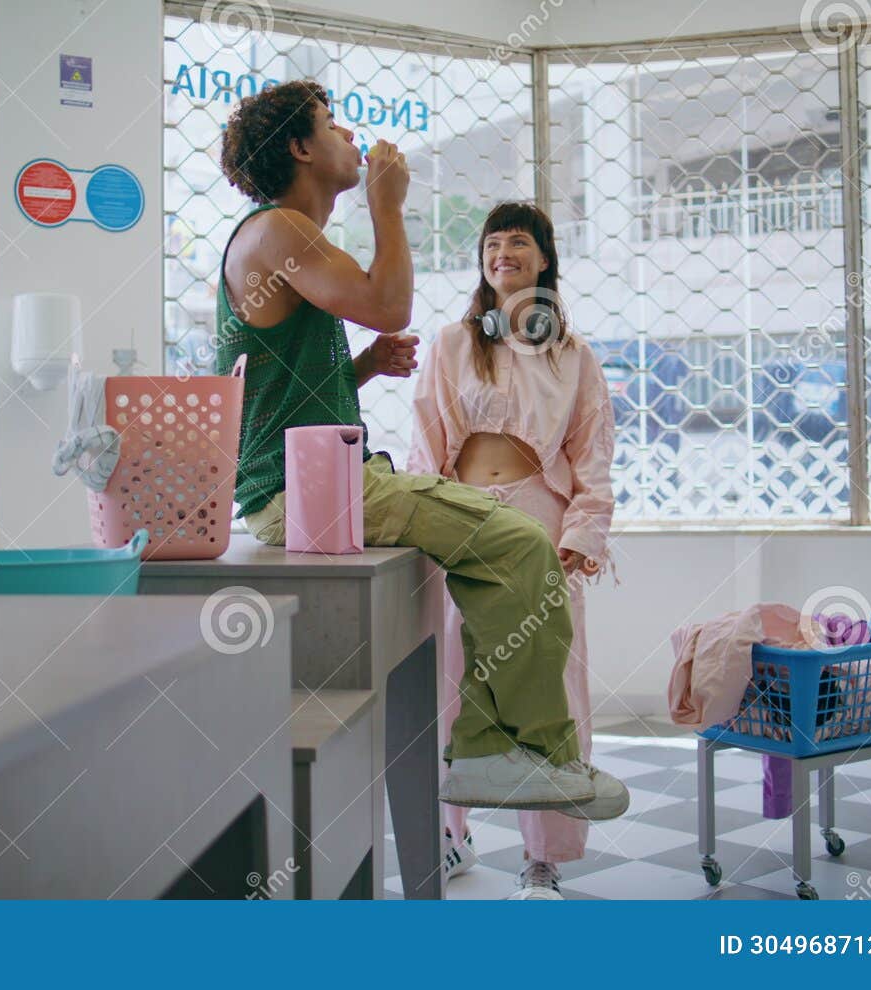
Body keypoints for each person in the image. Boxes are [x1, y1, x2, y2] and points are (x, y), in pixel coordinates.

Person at [214, 81, 627, 828]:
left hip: (318, 482)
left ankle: (502, 758)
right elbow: (389, 302)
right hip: (306, 492)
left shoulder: (282, 237)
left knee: (516, 558)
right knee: (520, 548)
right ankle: (516, 755)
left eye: (519, 242)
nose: (351, 136)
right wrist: (388, 206)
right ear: (302, 149)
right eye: (333, 126)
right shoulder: (280, 230)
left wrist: (361, 368)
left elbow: (279, 381)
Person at [409, 201, 618, 900]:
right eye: (492, 243)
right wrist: (424, 526)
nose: (503, 252)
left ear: (545, 258)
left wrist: (580, 537)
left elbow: (593, 457)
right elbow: (426, 446)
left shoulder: (573, 356)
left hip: (538, 530)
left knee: (549, 688)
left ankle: (544, 862)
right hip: (460, 523)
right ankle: (449, 834)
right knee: (447, 680)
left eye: (519, 242)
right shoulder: (451, 345)